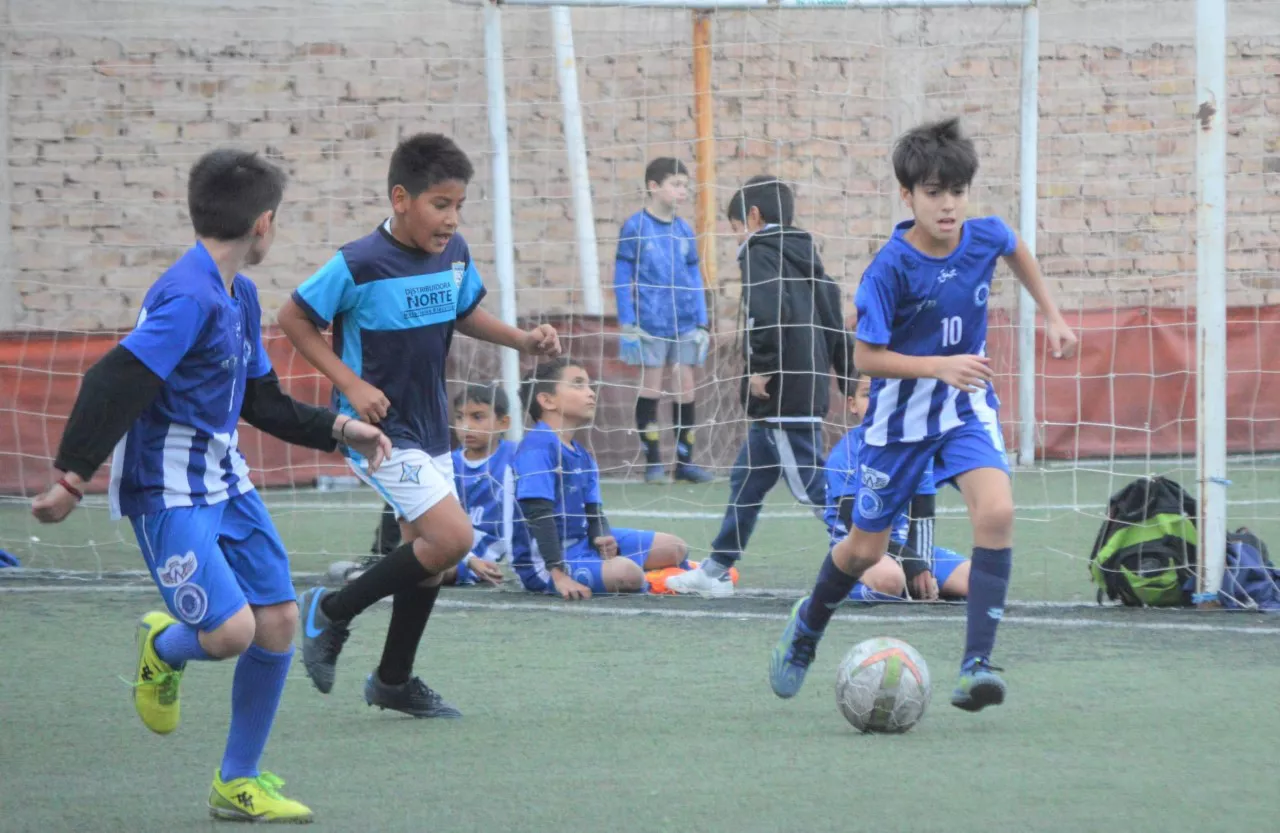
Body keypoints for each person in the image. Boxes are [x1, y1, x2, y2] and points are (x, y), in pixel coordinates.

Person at [30, 148, 391, 823]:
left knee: (278, 621)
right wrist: (72, 480)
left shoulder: (239, 295)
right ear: (263, 223)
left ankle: (237, 781)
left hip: (227, 483)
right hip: (165, 490)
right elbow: (112, 381)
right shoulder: (187, 296)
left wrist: (342, 428)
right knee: (229, 633)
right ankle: (162, 646)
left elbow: (262, 402)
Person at [769, 117, 1077, 711]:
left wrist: (1053, 315)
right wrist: (937, 365)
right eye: (934, 192)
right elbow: (866, 357)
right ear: (907, 196)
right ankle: (807, 627)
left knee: (997, 512)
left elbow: (1013, 245)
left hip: (964, 409)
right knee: (864, 551)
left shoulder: (982, 236)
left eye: (957, 191)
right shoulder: (890, 268)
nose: (948, 204)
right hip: (898, 425)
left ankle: (975, 666)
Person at [277, 133, 561, 717]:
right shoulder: (358, 262)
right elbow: (293, 317)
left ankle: (393, 679)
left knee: (428, 556)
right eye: (440, 204)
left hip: (430, 424)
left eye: (459, 205)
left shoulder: (453, 254)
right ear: (401, 199)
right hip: (377, 429)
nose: (452, 218)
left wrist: (522, 340)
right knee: (453, 540)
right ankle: (329, 611)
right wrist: (352, 386)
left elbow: (464, 311)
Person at [665, 176, 853, 598]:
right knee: (746, 481)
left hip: (782, 392)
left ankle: (869, 555)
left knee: (811, 487)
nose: (737, 237)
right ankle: (715, 569)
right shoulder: (808, 257)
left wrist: (763, 367)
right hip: (804, 388)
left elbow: (766, 310)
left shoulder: (760, 250)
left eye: (735, 227)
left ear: (753, 216)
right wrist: (848, 377)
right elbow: (834, 322)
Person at [511, 359, 691, 600]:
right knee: (627, 574)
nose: (590, 392)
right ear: (547, 400)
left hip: (583, 544)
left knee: (675, 547)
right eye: (578, 384)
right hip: (546, 563)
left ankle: (664, 573)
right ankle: (660, 579)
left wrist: (601, 535)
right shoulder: (537, 448)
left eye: (589, 385)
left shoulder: (583, 455)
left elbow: (594, 511)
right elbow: (538, 515)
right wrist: (559, 574)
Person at [826, 374, 970, 603]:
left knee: (975, 581)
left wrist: (922, 567)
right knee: (890, 581)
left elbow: (922, 519)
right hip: (859, 550)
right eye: (868, 395)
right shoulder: (844, 457)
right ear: (852, 405)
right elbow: (857, 530)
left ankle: (908, 587)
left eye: (885, 394)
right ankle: (841, 585)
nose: (877, 401)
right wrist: (911, 563)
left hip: (907, 549)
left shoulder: (916, 449)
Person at [614, 157, 713, 484]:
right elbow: (622, 277)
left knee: (685, 387)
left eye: (685, 185)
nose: (682, 191)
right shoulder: (635, 227)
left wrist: (702, 321)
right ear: (654, 187)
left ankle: (685, 462)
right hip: (649, 324)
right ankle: (653, 462)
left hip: (685, 323)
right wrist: (628, 321)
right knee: (652, 386)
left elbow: (695, 277)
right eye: (676, 184)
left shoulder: (684, 230)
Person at [448, 383, 516, 586]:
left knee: (430, 571)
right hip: (453, 544)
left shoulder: (517, 457)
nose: (466, 426)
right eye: (460, 417)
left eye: (477, 417)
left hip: (492, 548)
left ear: (503, 423)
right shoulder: (448, 463)